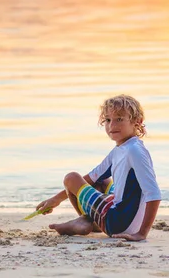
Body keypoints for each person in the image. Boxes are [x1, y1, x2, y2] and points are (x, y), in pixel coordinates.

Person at [35, 94, 161, 241]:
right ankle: (91, 221)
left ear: (137, 121)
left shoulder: (134, 151)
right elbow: (91, 178)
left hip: (118, 223)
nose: (112, 125)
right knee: (103, 181)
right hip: (126, 220)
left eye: (119, 119)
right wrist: (55, 200)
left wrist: (141, 234)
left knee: (71, 178)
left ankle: (85, 221)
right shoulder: (123, 149)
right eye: (108, 120)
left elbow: (153, 193)